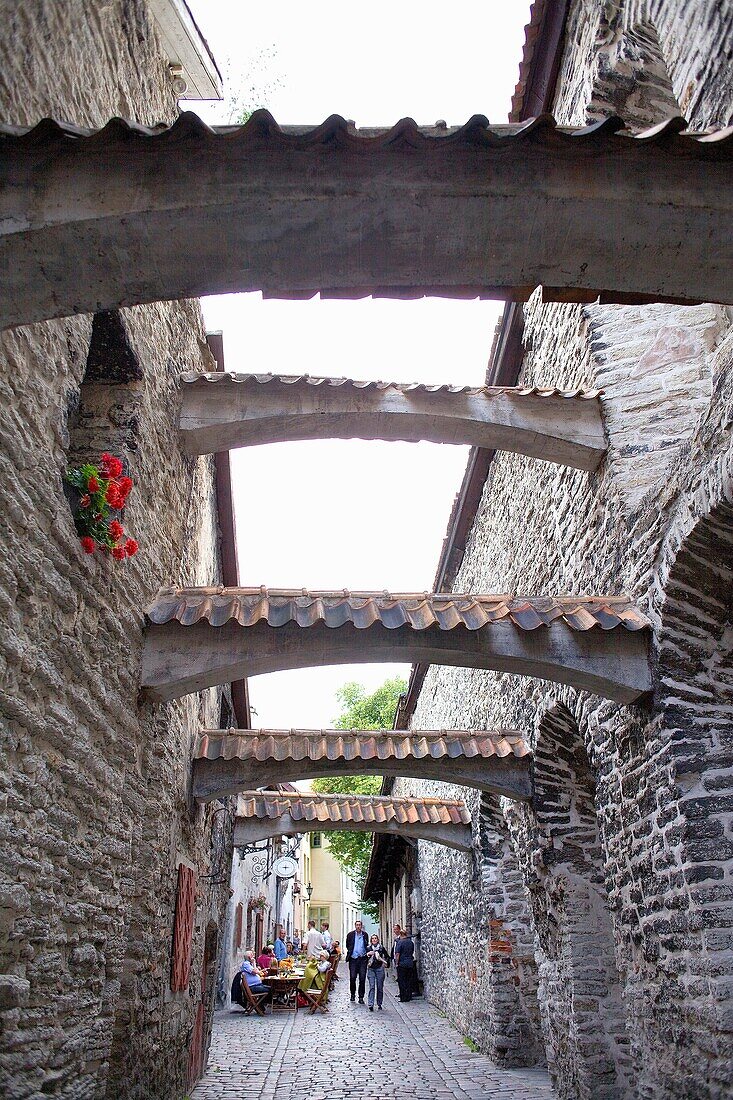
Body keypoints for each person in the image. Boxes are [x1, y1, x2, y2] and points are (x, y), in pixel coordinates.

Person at [345, 919, 369, 1004]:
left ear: (361, 926)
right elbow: (348, 945)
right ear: (355, 926)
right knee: (352, 977)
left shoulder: (365, 935)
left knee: (362, 978)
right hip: (353, 959)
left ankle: (361, 997)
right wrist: (351, 952)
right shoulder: (350, 935)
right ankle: (352, 995)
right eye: (357, 925)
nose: (358, 926)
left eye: (359, 925)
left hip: (362, 959)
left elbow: (366, 945)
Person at [366, 933, 390, 1011]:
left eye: (375, 938)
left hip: (379, 968)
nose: (374, 940)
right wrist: (367, 955)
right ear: (371, 940)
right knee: (372, 986)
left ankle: (379, 1003)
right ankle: (370, 1004)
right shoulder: (368, 948)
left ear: (378, 940)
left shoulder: (381, 948)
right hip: (371, 969)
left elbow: (387, 956)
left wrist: (385, 963)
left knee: (380, 987)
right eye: (372, 939)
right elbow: (364, 958)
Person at [395, 929, 415, 1002]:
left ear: (401, 935)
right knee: (409, 980)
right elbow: (412, 951)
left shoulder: (400, 943)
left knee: (402, 981)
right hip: (410, 963)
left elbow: (397, 954)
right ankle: (408, 996)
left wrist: (397, 963)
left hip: (402, 964)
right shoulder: (411, 942)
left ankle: (403, 997)